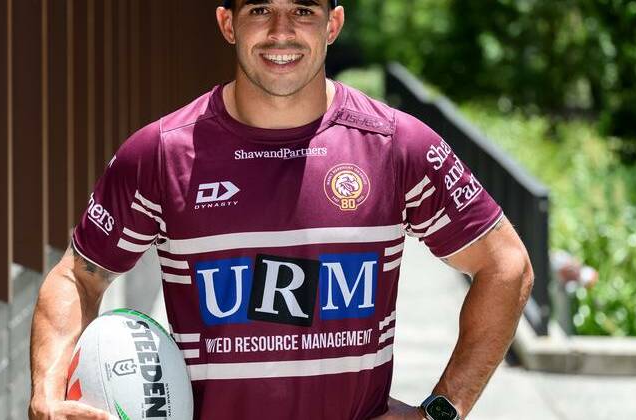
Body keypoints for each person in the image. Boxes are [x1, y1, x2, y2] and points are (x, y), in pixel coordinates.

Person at [28, 0, 534, 419]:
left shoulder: (397, 145)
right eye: (260, 10)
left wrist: (441, 410)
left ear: (333, 24)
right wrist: (47, 394)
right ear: (228, 23)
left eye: (303, 11)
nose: (281, 31)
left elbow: (506, 266)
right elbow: (78, 276)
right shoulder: (160, 153)